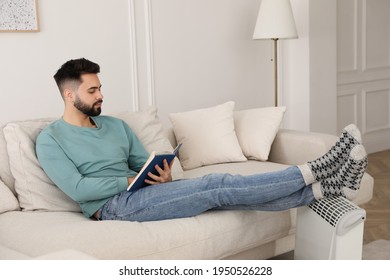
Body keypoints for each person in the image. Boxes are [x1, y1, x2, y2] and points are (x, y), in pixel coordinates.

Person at [36, 58, 368, 222]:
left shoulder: (114, 125)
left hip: (145, 190)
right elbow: (79, 189)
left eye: (100, 88)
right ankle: (318, 167)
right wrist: (129, 179)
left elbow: (142, 163)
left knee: (222, 196)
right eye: (92, 90)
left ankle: (329, 188)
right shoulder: (51, 139)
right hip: (111, 208)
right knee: (217, 184)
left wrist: (160, 174)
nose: (101, 95)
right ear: (69, 94)